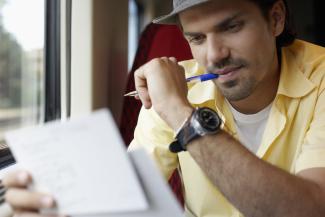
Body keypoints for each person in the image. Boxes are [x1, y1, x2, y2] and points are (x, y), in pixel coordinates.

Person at [3, 0, 325, 217]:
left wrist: (180, 112)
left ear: (276, 18)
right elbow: (120, 202)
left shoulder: (322, 78)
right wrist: (57, 203)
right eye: (196, 38)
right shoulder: (174, 90)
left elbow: (310, 207)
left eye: (231, 27)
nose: (214, 55)